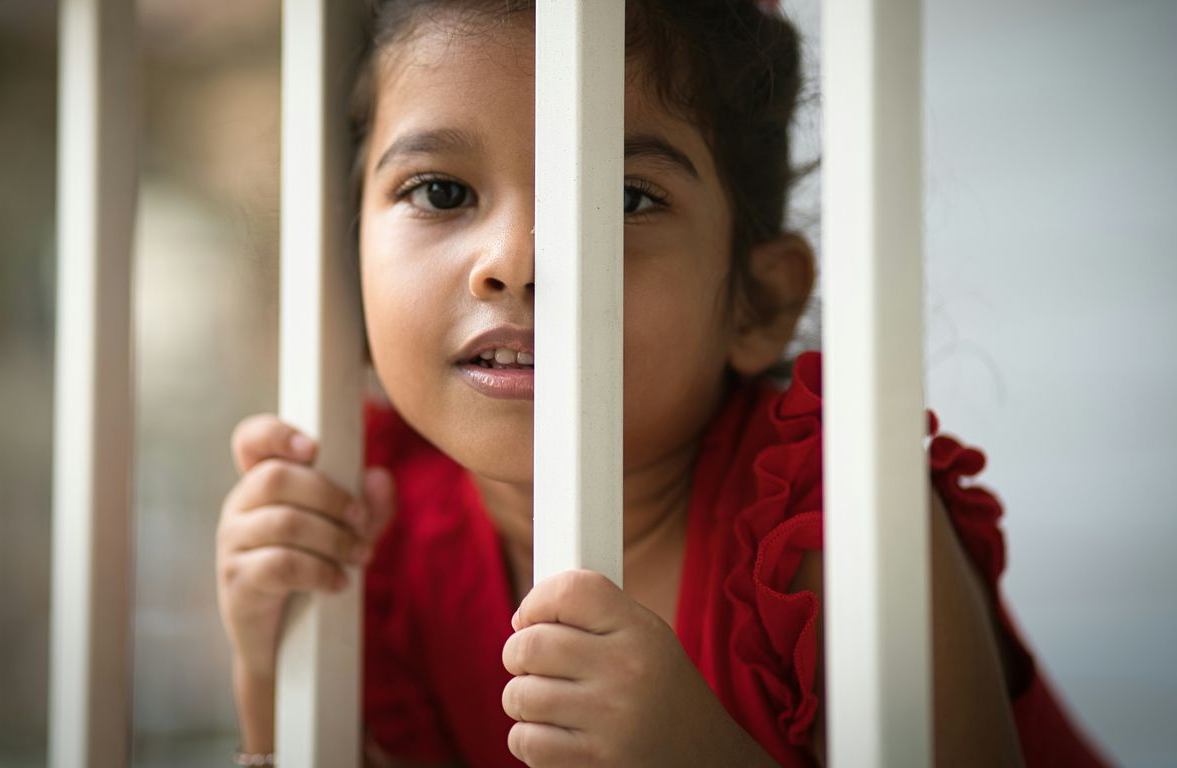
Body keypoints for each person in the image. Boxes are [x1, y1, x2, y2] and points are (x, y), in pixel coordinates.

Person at [215, 1, 1110, 765]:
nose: (516, 263)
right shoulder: (376, 528)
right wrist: (275, 669)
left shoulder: (838, 525)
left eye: (626, 200)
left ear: (756, 300)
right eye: (442, 192)